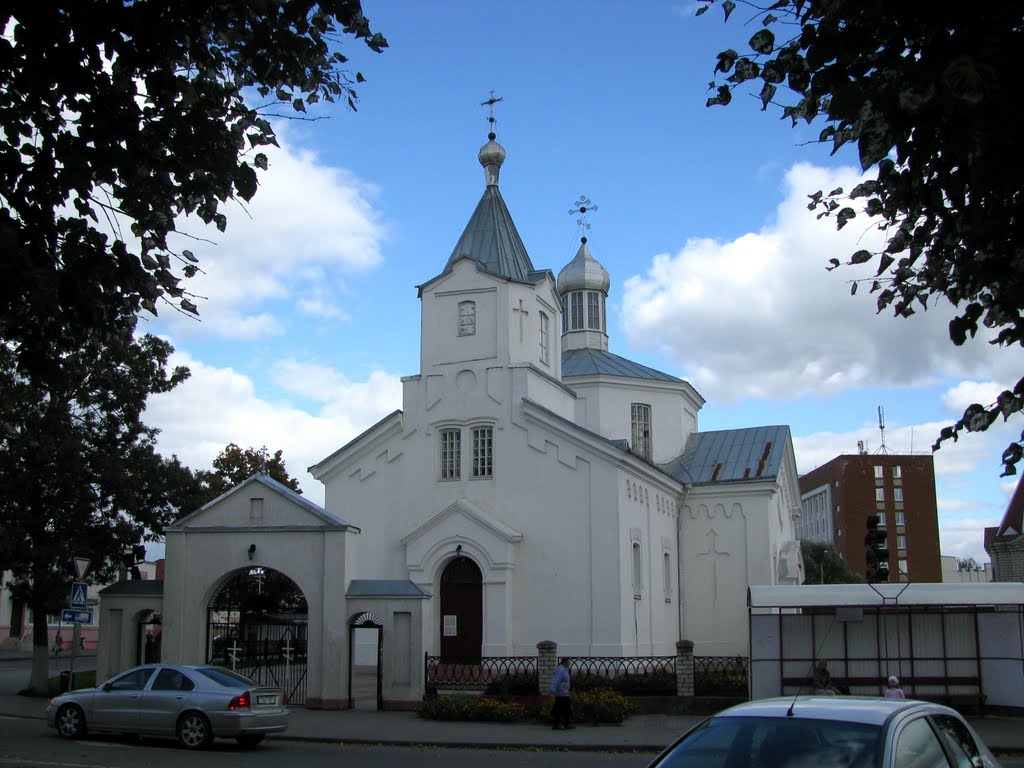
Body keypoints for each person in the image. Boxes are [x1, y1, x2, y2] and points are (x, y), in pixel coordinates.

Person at [548, 656, 574, 730]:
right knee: (559, 709)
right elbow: (556, 680)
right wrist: (552, 690)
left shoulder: (564, 669)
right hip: (560, 693)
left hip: (564, 693)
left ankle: (566, 723)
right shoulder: (560, 670)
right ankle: (557, 724)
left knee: (567, 709)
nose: (570, 663)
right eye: (569, 661)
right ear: (565, 662)